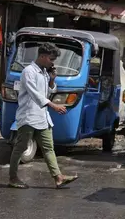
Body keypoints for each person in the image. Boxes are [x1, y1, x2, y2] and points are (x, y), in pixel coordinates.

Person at [8, 42, 79, 189]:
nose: (52, 62)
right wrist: (53, 106)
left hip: (42, 116)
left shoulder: (45, 73)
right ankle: (13, 178)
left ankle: (58, 177)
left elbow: (49, 91)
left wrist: (52, 79)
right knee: (20, 148)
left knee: (48, 148)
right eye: (51, 59)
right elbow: (35, 94)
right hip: (28, 116)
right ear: (42, 56)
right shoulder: (29, 71)